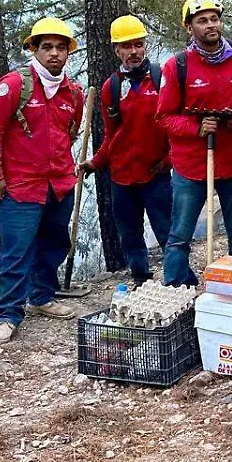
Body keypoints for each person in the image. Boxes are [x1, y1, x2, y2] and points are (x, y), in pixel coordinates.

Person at [0, 17, 84, 345]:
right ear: (33, 50)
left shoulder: (72, 92)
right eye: (46, 47)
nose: (54, 54)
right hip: (21, 185)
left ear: (68, 52)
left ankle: (42, 296)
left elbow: (71, 132)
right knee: (17, 250)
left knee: (53, 244)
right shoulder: (14, 85)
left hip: (59, 183)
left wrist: (67, 171)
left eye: (60, 47)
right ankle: (7, 313)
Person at [156, 0, 232, 285]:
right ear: (189, 27)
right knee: (180, 234)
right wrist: (196, 128)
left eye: (214, 19)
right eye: (201, 20)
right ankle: (176, 289)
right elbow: (164, 117)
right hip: (191, 166)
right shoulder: (177, 65)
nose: (210, 25)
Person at [77, 15, 172, 286]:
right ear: (116, 50)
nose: (133, 51)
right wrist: (94, 164)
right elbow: (111, 135)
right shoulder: (112, 87)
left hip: (156, 172)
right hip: (121, 175)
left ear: (145, 46)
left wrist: (171, 159)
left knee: (167, 231)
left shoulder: (161, 78)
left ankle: (179, 280)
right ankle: (141, 280)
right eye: (126, 46)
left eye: (138, 45)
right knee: (130, 234)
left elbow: (176, 124)